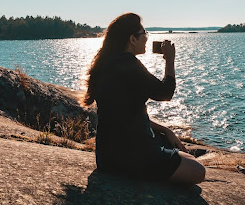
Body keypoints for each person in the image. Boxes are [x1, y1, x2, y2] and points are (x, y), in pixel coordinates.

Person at [83, 13, 206, 184]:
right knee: (198, 171)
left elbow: (123, 114)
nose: (147, 38)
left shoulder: (107, 63)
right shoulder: (129, 64)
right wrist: (170, 60)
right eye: (144, 33)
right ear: (132, 39)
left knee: (172, 145)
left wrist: (164, 129)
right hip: (133, 157)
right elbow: (165, 93)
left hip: (107, 157)